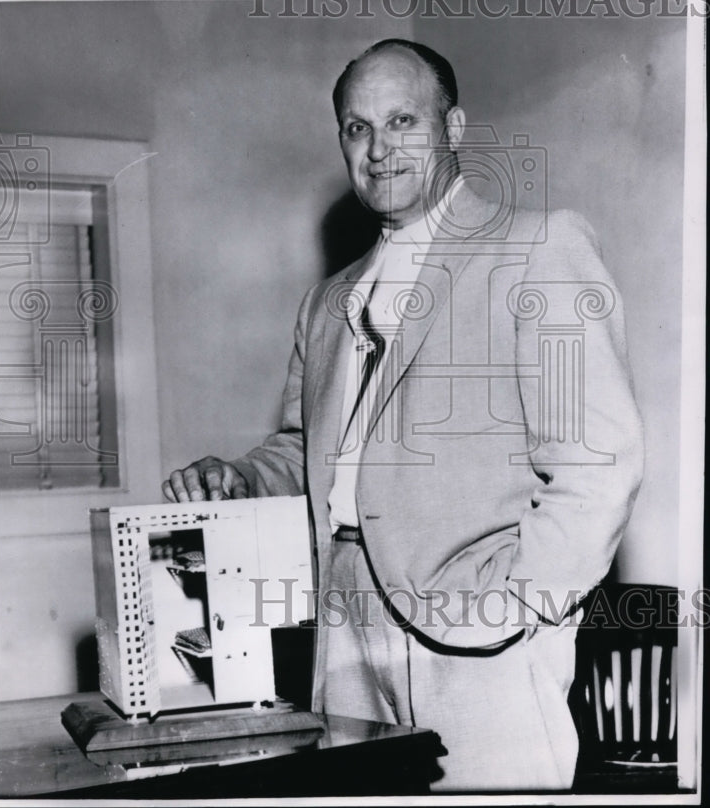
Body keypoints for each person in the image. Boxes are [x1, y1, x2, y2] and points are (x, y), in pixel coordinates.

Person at [163, 39, 644, 791]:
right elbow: (306, 447)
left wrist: (514, 609)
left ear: (452, 128)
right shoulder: (328, 302)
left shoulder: (536, 249)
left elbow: (598, 465)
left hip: (479, 631)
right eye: (357, 128)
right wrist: (239, 476)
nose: (379, 148)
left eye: (402, 121)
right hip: (344, 616)